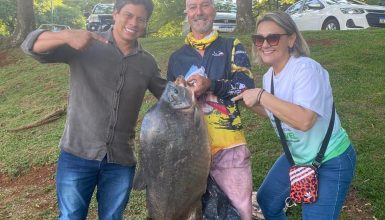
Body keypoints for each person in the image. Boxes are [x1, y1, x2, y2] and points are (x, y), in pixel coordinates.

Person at [21, 0, 166, 219]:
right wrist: (64, 36)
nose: (133, 23)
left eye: (140, 18)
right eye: (128, 15)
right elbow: (30, 45)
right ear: (115, 14)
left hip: (120, 160)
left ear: (146, 23)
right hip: (77, 154)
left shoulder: (147, 63)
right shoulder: (85, 44)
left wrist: (201, 85)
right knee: (71, 216)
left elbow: (169, 95)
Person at [233, 11, 356, 219]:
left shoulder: (306, 69)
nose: (264, 44)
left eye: (272, 37)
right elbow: (276, 113)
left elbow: (304, 120)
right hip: (297, 157)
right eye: (259, 39)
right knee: (267, 202)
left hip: (331, 159)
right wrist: (248, 102)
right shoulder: (269, 76)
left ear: (291, 39)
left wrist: (261, 96)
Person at [167, 0, 255, 219]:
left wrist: (212, 85)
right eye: (193, 6)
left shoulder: (232, 45)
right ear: (187, 12)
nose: (199, 12)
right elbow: (170, 107)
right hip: (190, 150)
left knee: (240, 210)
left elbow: (246, 88)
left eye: (205, 5)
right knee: (194, 213)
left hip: (228, 147)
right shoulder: (176, 58)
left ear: (214, 10)